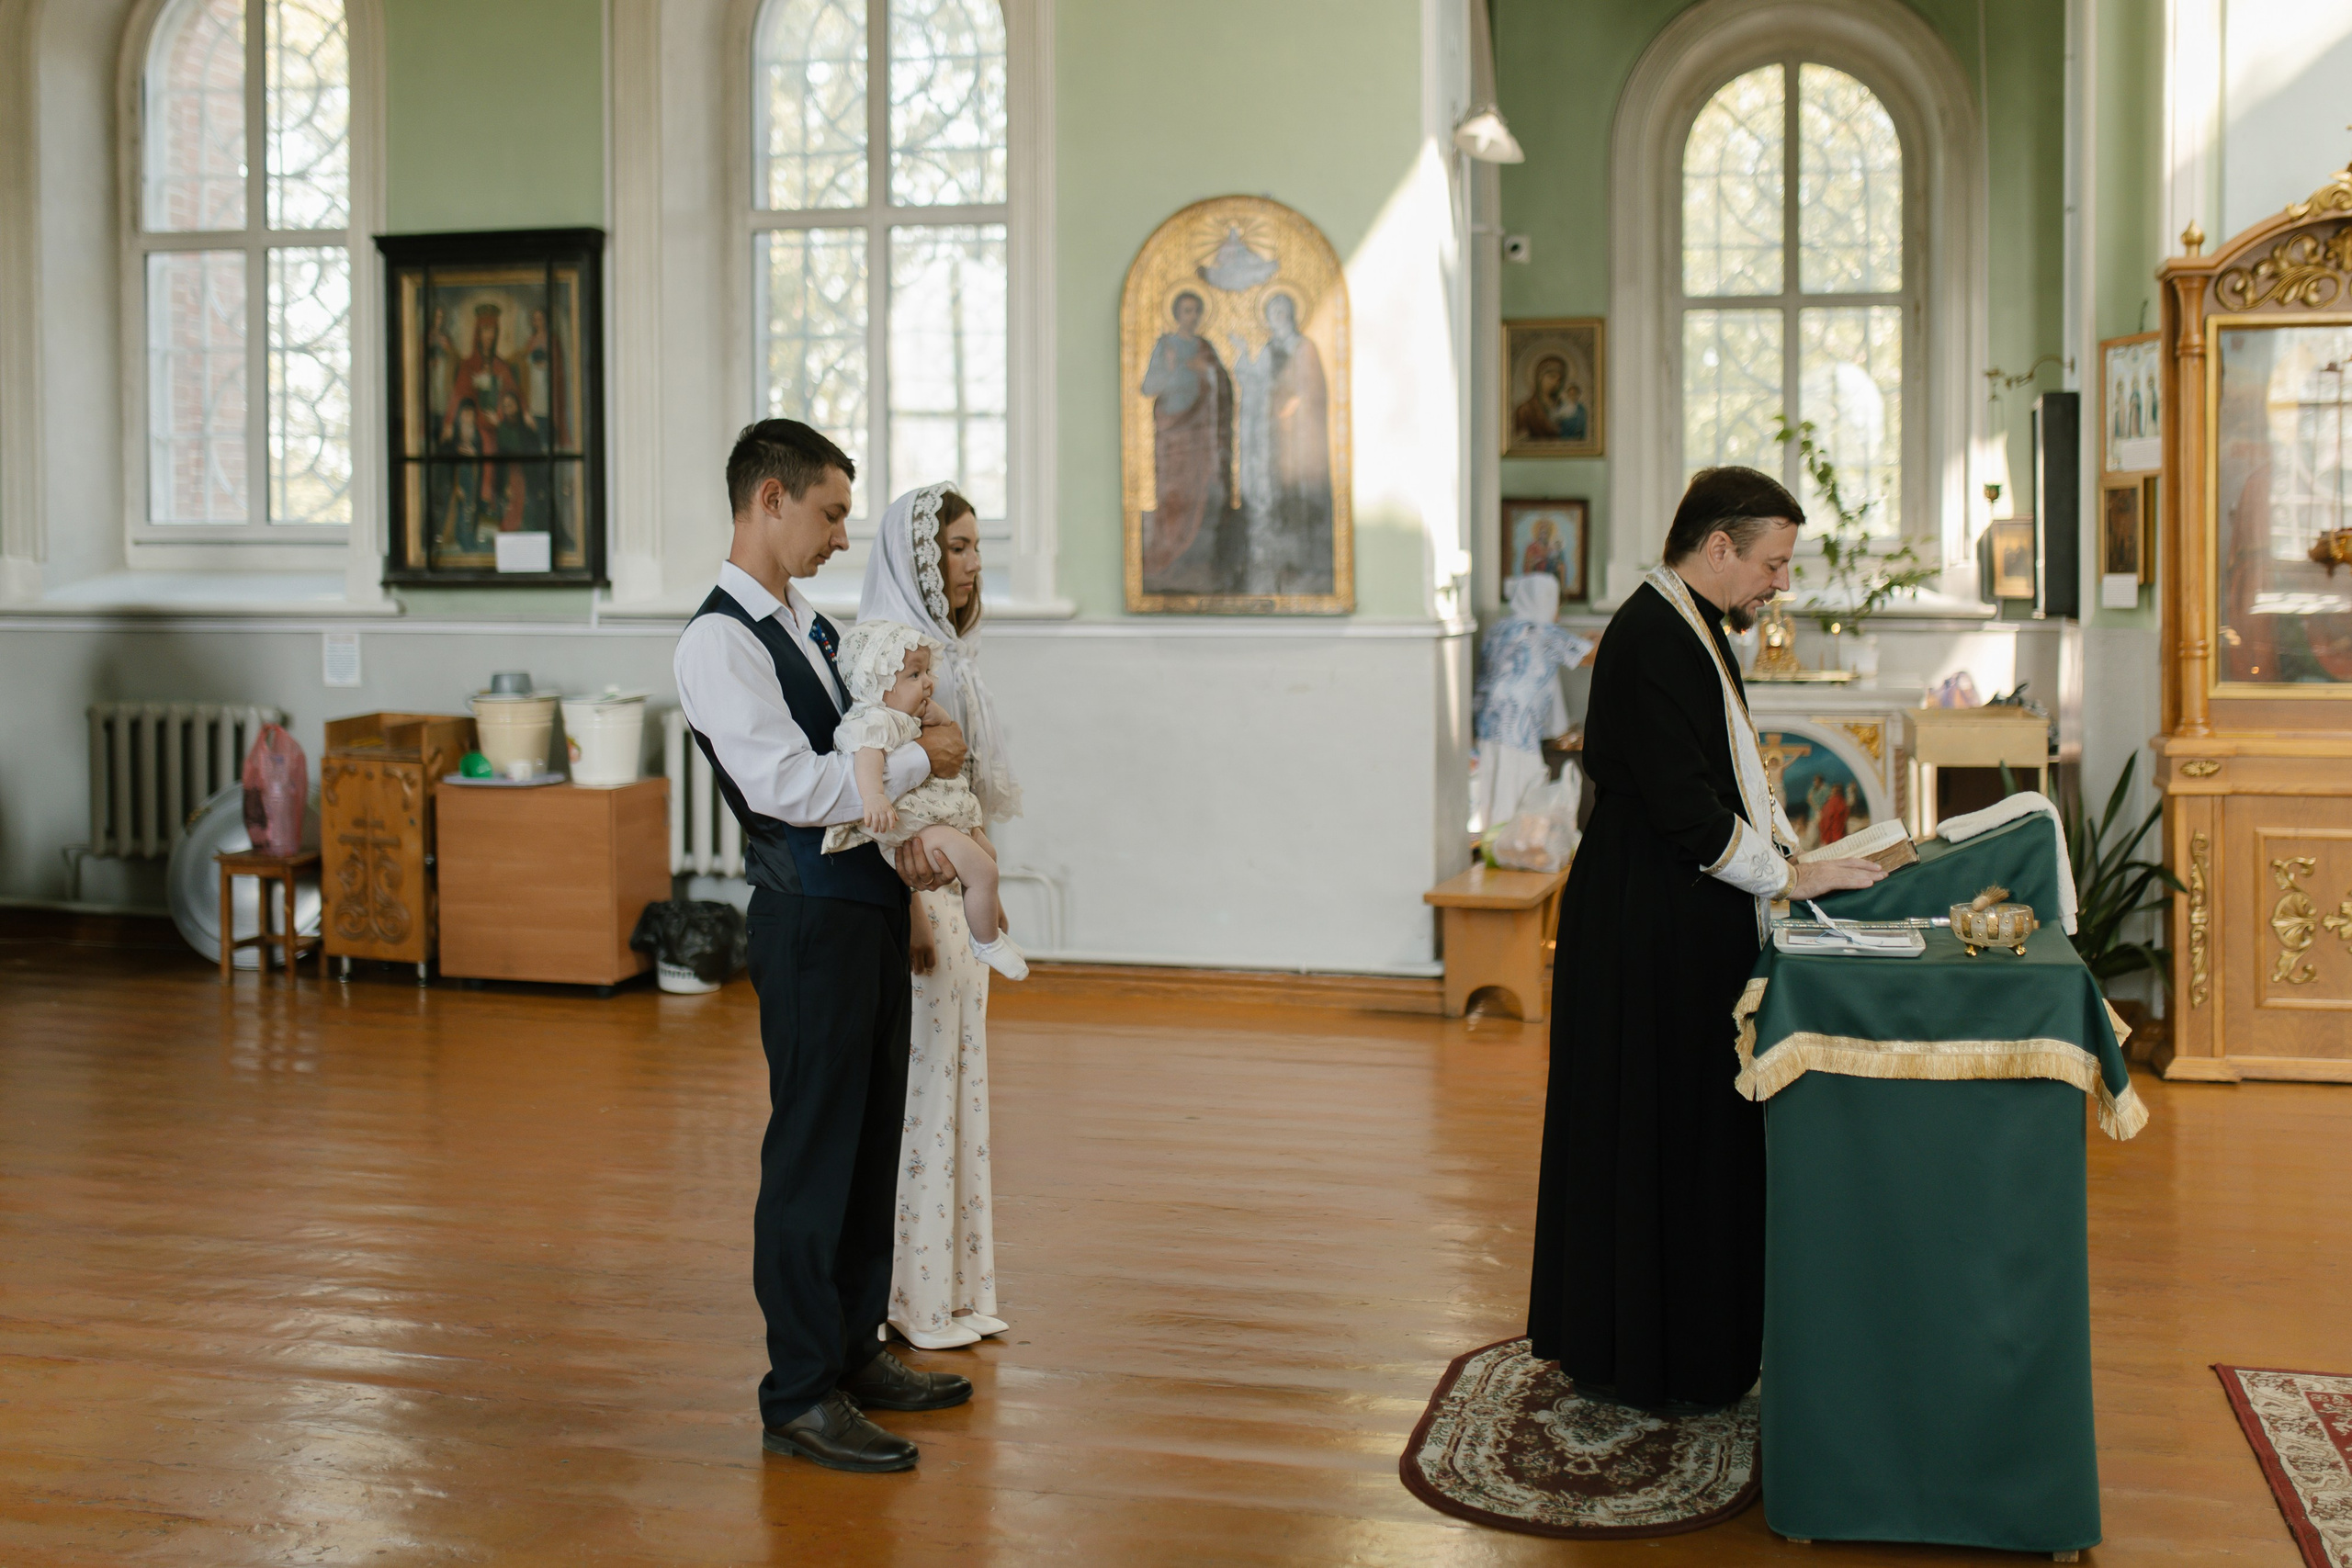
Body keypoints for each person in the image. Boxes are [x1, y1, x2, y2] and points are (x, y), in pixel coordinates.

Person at [1524, 466, 1886, 1413]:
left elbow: (1725, 774)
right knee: (1659, 1128)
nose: (1780, 584)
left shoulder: (1688, 621)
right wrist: (1792, 876)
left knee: (1681, 1129)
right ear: (1718, 547)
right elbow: (1688, 811)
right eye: (1772, 563)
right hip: (1648, 918)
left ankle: (1680, 1344)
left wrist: (1792, 854)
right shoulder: (1655, 634)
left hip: (1669, 906)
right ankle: (1654, 1356)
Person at [673, 419, 978, 1475]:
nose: (843, 537)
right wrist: (912, 755)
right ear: (770, 499)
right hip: (805, 921)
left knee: (867, 1143)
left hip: (866, 909)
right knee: (810, 1157)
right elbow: (789, 787)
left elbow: (866, 746)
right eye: (831, 514)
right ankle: (799, 1393)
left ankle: (852, 1349)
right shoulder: (718, 643)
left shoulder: (810, 624)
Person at [859, 483, 1022, 1352]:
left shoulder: (950, 654)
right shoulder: (890, 655)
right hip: (921, 898)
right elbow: (878, 802)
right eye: (956, 547)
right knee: (923, 1093)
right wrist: (915, 910)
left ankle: (958, 1289)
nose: (972, 563)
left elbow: (963, 794)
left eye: (976, 546)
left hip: (959, 893)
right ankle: (911, 1297)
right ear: (918, 557)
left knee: (963, 1086)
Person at [824, 622, 1027, 983]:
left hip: (930, 816)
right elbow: (866, 758)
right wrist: (874, 796)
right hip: (909, 825)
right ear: (878, 684)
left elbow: (948, 736)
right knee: (984, 871)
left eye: (927, 672)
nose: (929, 683)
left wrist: (940, 718)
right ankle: (986, 941)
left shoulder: (903, 716)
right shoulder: (873, 719)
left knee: (988, 855)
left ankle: (984, 929)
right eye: (915, 675)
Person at [1471, 573, 1594, 832]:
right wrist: (1607, 634)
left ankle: (1491, 841)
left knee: (1491, 791)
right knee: (1517, 794)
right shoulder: (1542, 631)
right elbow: (1591, 656)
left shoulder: (1499, 629)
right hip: (1517, 725)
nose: (1557, 613)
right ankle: (1509, 844)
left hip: (1486, 722)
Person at [1139, 290, 1235, 588]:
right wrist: (1172, 369)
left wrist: (1208, 371)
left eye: (1196, 311)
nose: (1191, 317)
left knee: (1199, 492)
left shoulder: (1204, 348)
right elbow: (1148, 387)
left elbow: (1224, 385)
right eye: (1186, 311)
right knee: (1174, 493)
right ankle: (1167, 556)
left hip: (1200, 435)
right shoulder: (1166, 346)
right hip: (1172, 434)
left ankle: (1195, 559)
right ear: (1177, 314)